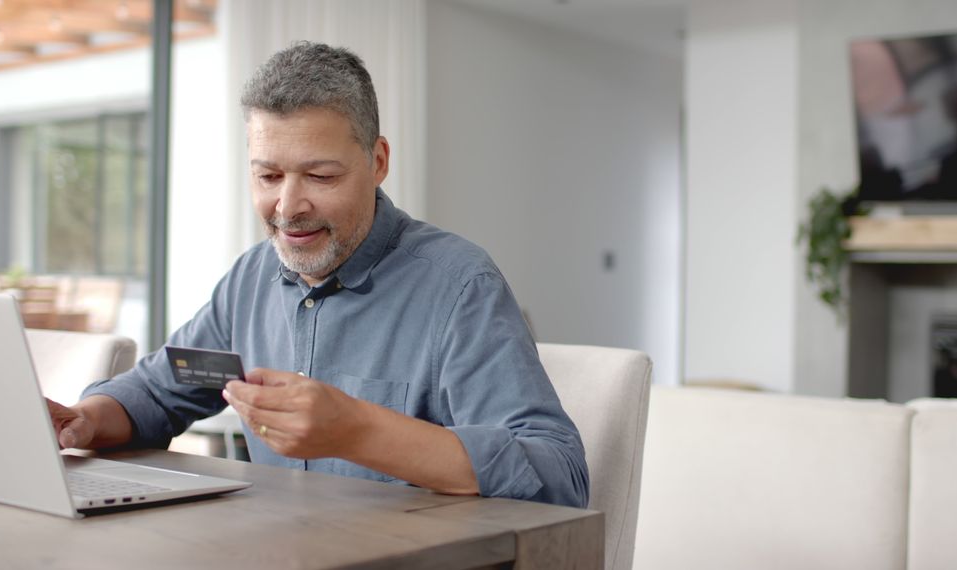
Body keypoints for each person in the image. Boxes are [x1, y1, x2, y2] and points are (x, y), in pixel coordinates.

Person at [46, 41, 589, 508]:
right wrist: (87, 420)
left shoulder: (460, 286)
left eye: (320, 175)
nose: (287, 206)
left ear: (377, 162)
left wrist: (359, 429)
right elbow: (162, 390)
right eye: (268, 175)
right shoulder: (250, 280)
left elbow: (558, 477)